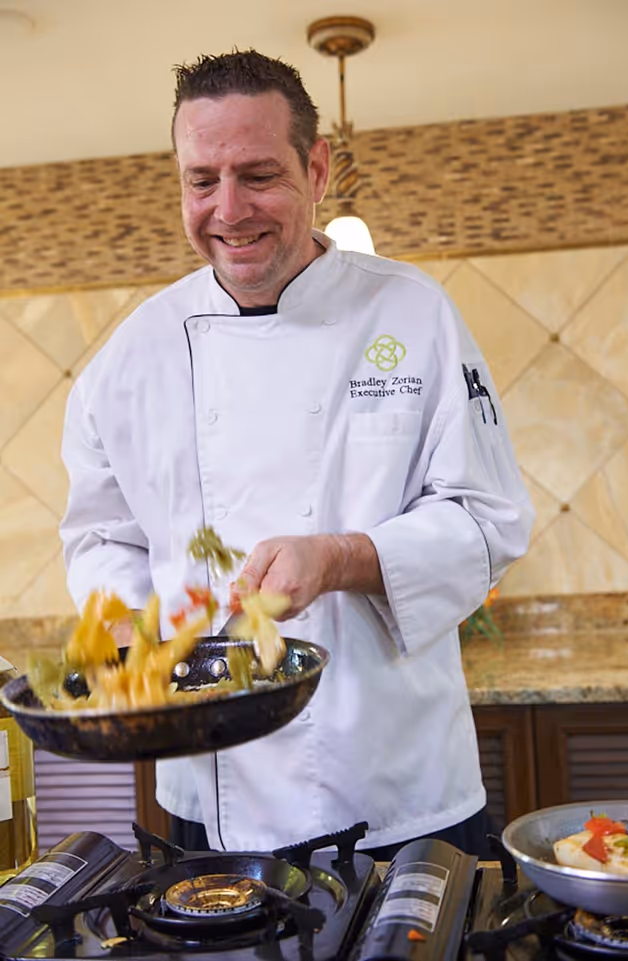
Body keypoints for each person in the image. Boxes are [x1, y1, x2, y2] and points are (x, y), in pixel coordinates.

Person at [60, 50, 534, 860]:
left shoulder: (414, 314)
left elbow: (488, 520)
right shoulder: (129, 358)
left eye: (258, 174)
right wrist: (146, 632)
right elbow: (102, 539)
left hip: (394, 787)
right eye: (201, 179)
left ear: (316, 168)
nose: (228, 208)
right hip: (210, 789)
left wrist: (343, 556)